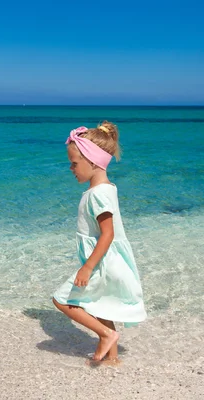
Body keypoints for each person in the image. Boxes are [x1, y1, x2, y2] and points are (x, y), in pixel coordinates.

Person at [52, 121, 147, 365]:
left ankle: (106, 334)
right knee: (103, 306)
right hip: (105, 261)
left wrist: (87, 267)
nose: (71, 169)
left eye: (74, 163)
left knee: (62, 299)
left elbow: (108, 234)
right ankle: (111, 360)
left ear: (93, 162)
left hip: (102, 261)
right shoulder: (105, 189)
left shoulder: (98, 195)